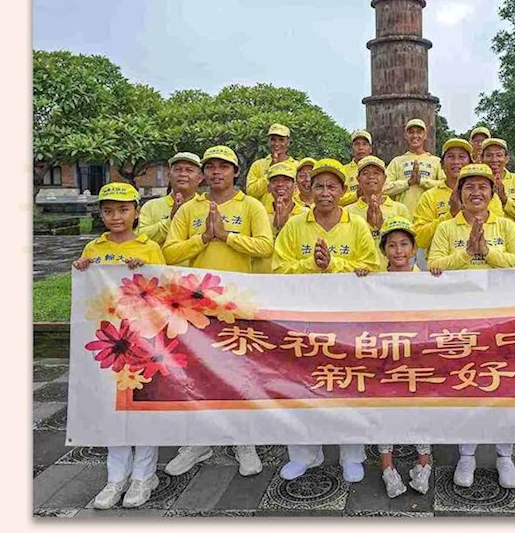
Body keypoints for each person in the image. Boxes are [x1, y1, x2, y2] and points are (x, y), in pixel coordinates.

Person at [162, 145, 274, 478]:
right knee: (199, 374)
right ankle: (200, 441)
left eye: (223, 167)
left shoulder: (251, 206)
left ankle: (244, 440)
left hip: (238, 305)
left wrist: (228, 237)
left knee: (240, 374)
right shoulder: (189, 209)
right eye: (210, 167)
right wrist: (202, 238)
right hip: (196, 306)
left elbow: (265, 246)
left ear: (235, 172)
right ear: (203, 173)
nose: (216, 172)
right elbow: (169, 253)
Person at [273, 159, 382, 482]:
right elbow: (278, 269)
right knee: (303, 387)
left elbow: (372, 268)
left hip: (347, 321)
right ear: (308, 190)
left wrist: (334, 264)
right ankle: (305, 454)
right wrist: (311, 264)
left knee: (349, 385)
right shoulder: (295, 225)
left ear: (343, 190)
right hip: (303, 322)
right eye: (318, 186)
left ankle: (352, 454)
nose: (325, 192)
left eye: (332, 186)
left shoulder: (357, 225)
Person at [428, 164, 515, 489]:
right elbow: (433, 264)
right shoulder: (446, 228)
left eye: (482, 187)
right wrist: (466, 253)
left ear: (492, 193)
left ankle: (504, 455)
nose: (476, 192)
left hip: (502, 319)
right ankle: (467, 454)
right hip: (460, 321)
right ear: (459, 194)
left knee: (504, 386)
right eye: (469, 187)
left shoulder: (506, 225)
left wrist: (487, 251)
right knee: (467, 385)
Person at [72, 182, 165, 509]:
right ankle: (116, 478)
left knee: (143, 408)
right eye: (109, 211)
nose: (116, 217)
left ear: (136, 212)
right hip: (107, 344)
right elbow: (88, 293)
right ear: (101, 214)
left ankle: (144, 476)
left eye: (123, 210)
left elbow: (162, 290)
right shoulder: (93, 248)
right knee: (111, 409)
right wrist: (82, 269)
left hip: (141, 343)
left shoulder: (149, 248)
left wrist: (146, 271)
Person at [357, 217, 440, 497]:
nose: (398, 251)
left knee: (422, 409)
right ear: (383, 250)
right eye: (391, 245)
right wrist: (360, 280)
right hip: (385, 357)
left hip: (419, 358)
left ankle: (423, 465)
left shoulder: (428, 281)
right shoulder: (373, 282)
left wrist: (441, 278)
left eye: (404, 244)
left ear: (414, 248)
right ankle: (388, 468)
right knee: (385, 410)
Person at [412, 138, 502, 250]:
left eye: (462, 157)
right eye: (450, 156)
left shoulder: (487, 196)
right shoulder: (429, 197)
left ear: (470, 163)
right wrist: (451, 214)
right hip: (442, 259)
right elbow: (420, 239)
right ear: (441, 165)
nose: (456, 162)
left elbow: (499, 230)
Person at [138, 152, 203, 244]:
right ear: (169, 175)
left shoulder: (207, 206)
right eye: (177, 169)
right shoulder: (151, 206)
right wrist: (171, 220)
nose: (182, 174)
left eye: (189, 170)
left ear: (200, 178)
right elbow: (139, 237)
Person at [384, 118, 444, 214]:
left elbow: (445, 186)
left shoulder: (436, 162)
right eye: (411, 132)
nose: (415, 136)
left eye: (419, 132)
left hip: (429, 216)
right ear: (406, 135)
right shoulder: (397, 161)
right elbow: (384, 188)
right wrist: (407, 183)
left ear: (425, 135)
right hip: (403, 216)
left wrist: (422, 182)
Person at [345, 155, 407, 246]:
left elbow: (406, 243)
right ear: (358, 180)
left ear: (384, 178)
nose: (371, 177)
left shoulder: (400, 209)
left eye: (376, 173)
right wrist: (368, 226)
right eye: (366, 173)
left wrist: (382, 226)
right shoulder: (347, 212)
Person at [479, 137, 515, 220]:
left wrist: (505, 200)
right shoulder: (475, 183)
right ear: (481, 158)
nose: (494, 160)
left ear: (506, 158)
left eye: (499, 155)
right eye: (489, 155)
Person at [246, 123, 297, 202]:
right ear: (269, 141)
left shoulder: (297, 166)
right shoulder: (257, 165)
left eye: (281, 140)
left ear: (288, 142)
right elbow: (251, 193)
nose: (276, 144)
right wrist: (270, 171)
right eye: (273, 139)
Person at [339, 129, 373, 203]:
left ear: (370, 149)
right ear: (351, 150)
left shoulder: (379, 169)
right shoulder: (342, 171)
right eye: (357, 144)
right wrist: (356, 195)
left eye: (364, 144)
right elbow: (336, 199)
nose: (361, 148)